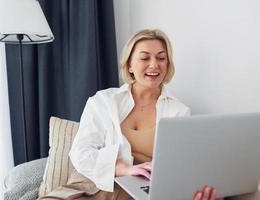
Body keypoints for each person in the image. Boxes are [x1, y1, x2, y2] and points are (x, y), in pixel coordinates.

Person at [65, 28, 223, 200]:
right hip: (91, 185)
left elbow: (181, 166)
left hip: (138, 191)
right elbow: (80, 152)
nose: (154, 64)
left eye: (161, 58)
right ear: (130, 65)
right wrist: (121, 168)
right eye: (144, 58)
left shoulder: (179, 112)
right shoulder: (103, 101)